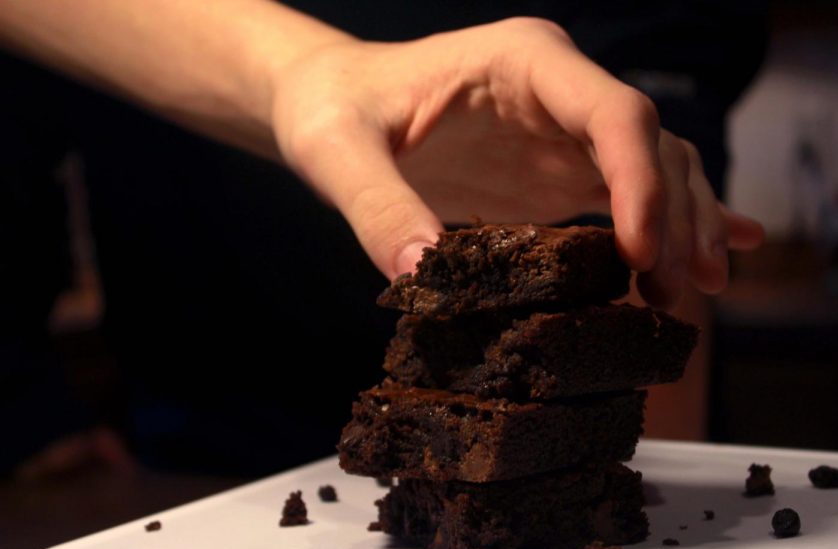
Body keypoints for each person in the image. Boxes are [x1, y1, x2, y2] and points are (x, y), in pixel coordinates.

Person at [1, 1, 765, 476]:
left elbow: (647, 118)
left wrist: (615, 477)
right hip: (188, 430)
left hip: (549, 452)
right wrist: (23, 399)